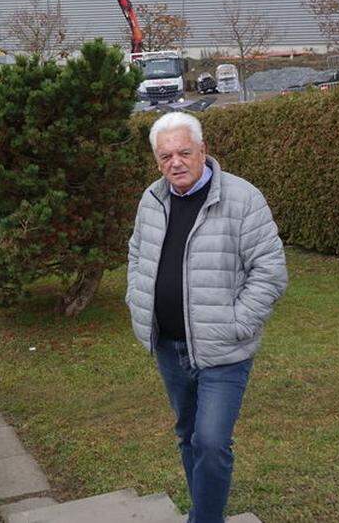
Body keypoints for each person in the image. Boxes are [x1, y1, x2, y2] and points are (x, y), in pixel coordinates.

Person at [126, 111, 287, 523]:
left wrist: (238, 323)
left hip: (224, 352)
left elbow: (270, 271)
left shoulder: (242, 198)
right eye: (165, 157)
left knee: (212, 442)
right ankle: (204, 512)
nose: (175, 163)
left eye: (183, 152)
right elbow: (137, 254)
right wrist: (137, 301)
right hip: (168, 346)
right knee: (188, 435)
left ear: (203, 151)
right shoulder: (153, 199)